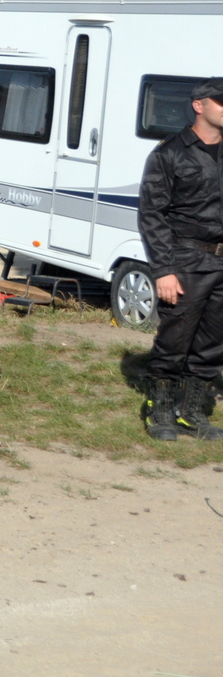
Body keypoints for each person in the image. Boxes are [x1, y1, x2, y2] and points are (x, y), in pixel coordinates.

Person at [137, 78, 223, 441]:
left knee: (212, 344)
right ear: (199, 105)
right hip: (186, 258)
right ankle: (160, 411)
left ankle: (191, 412)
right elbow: (152, 215)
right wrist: (163, 270)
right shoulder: (169, 152)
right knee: (175, 340)